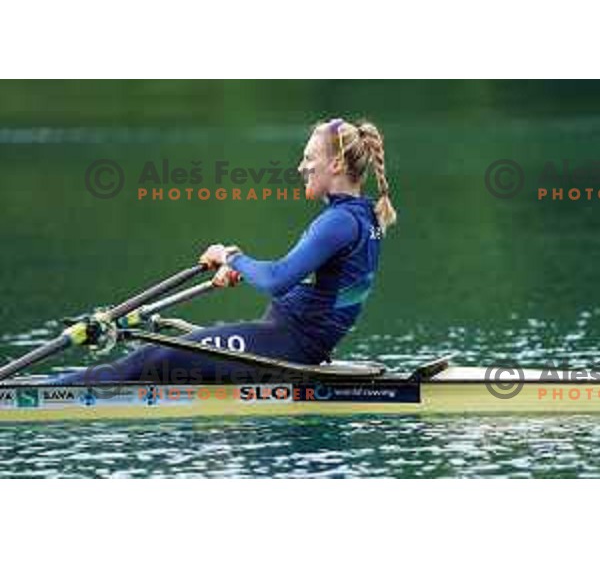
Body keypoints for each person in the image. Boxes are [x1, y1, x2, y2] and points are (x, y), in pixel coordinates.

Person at [58, 118, 397, 384]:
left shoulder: (338, 221)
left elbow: (276, 280)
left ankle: (33, 397)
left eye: (309, 158)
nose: (300, 167)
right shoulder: (364, 215)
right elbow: (324, 284)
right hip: (292, 343)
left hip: (286, 345)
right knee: (167, 357)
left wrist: (230, 257)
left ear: (336, 164)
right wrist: (243, 268)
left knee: (148, 361)